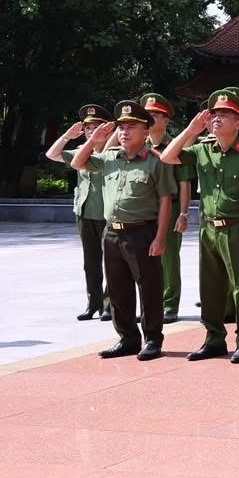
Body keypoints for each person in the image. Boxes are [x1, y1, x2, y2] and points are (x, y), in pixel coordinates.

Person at [160, 90, 239, 363]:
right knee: (210, 287)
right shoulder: (202, 149)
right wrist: (191, 130)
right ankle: (214, 339)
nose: (216, 119)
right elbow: (167, 157)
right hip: (208, 228)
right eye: (214, 115)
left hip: (238, 227)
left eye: (225, 115)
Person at [69, 100, 177, 360]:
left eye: (131, 127)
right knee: (118, 289)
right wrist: (93, 139)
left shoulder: (156, 162)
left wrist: (160, 237)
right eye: (121, 127)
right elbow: (77, 163)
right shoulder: (109, 158)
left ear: (145, 131)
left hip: (142, 232)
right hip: (112, 233)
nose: (124, 132)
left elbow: (165, 201)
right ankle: (127, 338)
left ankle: (153, 339)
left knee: (149, 288)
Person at [46, 103, 112, 321]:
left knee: (112, 261)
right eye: (87, 128)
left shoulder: (114, 152)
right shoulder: (81, 152)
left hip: (107, 213)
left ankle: (110, 305)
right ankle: (93, 303)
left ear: (107, 129)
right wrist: (67, 136)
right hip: (84, 211)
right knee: (90, 262)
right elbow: (52, 154)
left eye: (96, 127)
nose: (91, 131)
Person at [139, 93, 189, 324]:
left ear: (166, 120)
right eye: (146, 114)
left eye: (154, 115)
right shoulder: (140, 146)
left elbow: (184, 182)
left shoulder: (174, 146)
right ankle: (151, 305)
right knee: (147, 260)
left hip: (170, 208)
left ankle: (169, 305)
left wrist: (184, 213)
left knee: (168, 259)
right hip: (146, 209)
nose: (149, 119)